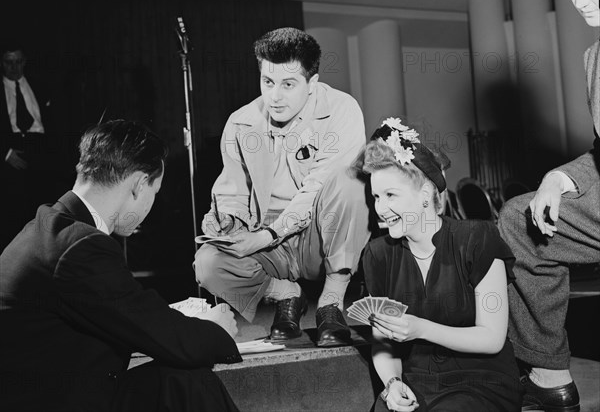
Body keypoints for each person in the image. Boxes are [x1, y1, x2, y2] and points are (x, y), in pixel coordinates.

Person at [0, 120, 241, 412]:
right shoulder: (78, 245)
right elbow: (166, 337)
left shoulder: (49, 227)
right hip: (54, 400)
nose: (150, 208)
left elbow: (120, 311)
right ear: (139, 185)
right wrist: (216, 329)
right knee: (189, 381)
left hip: (61, 389)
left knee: (181, 382)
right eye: (155, 192)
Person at [193, 27, 370, 347]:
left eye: (288, 84)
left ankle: (331, 303)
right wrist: (229, 225)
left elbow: (318, 186)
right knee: (207, 264)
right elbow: (232, 190)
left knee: (350, 185)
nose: (274, 96)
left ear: (312, 84)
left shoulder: (342, 110)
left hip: (322, 230)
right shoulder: (240, 122)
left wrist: (267, 235)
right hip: (271, 242)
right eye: (267, 82)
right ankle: (288, 295)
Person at [361, 118, 522, 411]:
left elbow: (492, 337)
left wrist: (420, 328)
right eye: (375, 197)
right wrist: (392, 384)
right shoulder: (378, 256)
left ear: (424, 196)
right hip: (416, 382)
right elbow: (383, 344)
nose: (380, 209)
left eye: (390, 195)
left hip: (482, 383)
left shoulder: (477, 239)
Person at [498, 0, 599, 410]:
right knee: (520, 219)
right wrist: (557, 179)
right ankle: (549, 377)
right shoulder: (594, 55)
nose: (580, 0)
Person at [0, 43, 53, 250]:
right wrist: (4, 153)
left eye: (19, 61)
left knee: (41, 215)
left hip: (40, 151)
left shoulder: (40, 86)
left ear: (25, 62)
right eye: (8, 62)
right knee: (12, 218)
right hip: (9, 152)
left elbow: (55, 124)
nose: (14, 68)